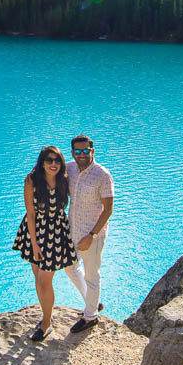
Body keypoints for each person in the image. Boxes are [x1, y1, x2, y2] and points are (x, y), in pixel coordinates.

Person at [12, 146, 78, 342]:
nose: (53, 164)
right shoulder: (32, 180)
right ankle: (45, 315)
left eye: (57, 160)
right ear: (42, 162)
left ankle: (47, 322)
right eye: (49, 160)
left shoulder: (64, 179)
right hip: (35, 230)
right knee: (37, 276)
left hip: (57, 232)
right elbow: (30, 213)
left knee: (44, 280)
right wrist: (34, 243)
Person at [64, 134, 114, 333]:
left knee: (92, 275)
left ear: (92, 151)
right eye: (78, 151)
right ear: (73, 153)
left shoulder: (103, 175)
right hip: (72, 229)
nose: (82, 155)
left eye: (86, 151)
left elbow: (108, 209)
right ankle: (92, 302)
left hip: (93, 234)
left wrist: (91, 235)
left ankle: (90, 317)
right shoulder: (70, 168)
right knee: (69, 266)